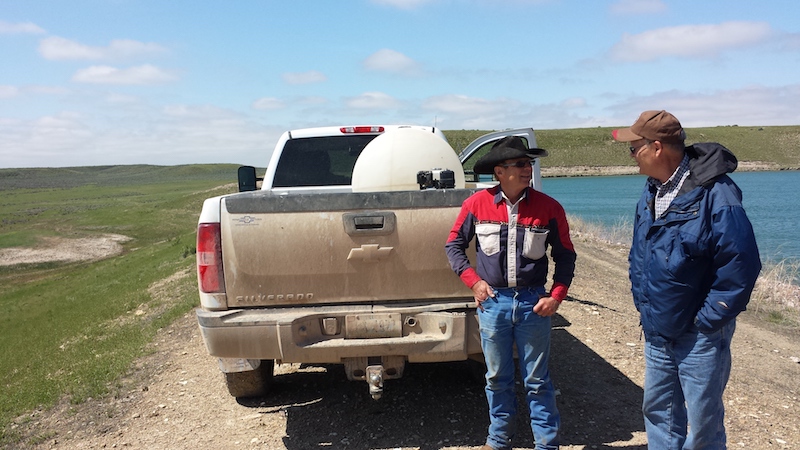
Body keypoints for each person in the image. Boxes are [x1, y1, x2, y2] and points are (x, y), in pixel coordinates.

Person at [612, 110, 761, 449]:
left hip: (700, 334)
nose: (631, 156)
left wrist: (709, 318)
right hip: (658, 328)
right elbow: (641, 252)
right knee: (660, 413)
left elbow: (742, 263)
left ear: (657, 148)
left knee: (703, 423)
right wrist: (644, 304)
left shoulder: (717, 194)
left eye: (634, 148)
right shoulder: (652, 191)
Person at [445, 136, 577, 450]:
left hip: (534, 304)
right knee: (496, 378)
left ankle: (547, 444)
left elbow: (566, 255)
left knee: (537, 380)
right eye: (519, 164)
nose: (527, 168)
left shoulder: (549, 208)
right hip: (493, 305)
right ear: (499, 172)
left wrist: (556, 295)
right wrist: (474, 283)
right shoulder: (475, 205)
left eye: (528, 162)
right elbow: (453, 246)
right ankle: (498, 440)